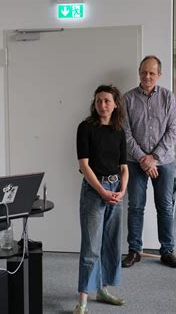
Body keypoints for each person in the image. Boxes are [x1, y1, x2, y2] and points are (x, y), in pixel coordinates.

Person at [122, 55, 176, 269]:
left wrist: (153, 158)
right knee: (136, 206)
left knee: (165, 206)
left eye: (152, 73)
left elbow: (173, 130)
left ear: (159, 74)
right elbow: (125, 133)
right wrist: (142, 158)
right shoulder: (127, 99)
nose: (147, 76)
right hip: (134, 162)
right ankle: (134, 250)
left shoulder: (168, 97)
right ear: (139, 72)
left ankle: (167, 250)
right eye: (144, 72)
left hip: (164, 162)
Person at [74, 85, 129, 314]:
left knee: (111, 244)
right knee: (91, 247)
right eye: (98, 101)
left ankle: (103, 290)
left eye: (107, 101)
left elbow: (124, 167)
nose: (102, 105)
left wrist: (122, 190)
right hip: (94, 191)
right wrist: (102, 191)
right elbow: (84, 165)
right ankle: (83, 301)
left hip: (116, 190)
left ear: (115, 104)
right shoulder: (85, 128)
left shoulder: (119, 131)